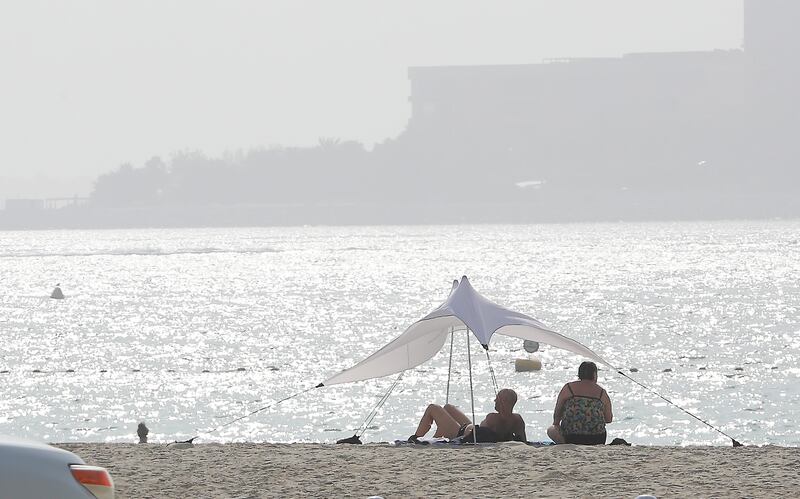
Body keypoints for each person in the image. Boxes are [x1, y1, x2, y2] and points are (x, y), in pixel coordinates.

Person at [409, 388, 526, 443]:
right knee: (448, 407)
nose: (494, 400)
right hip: (469, 429)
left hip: (460, 434)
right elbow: (523, 440)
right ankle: (436, 434)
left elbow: (478, 434)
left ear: (503, 402)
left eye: (497, 398)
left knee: (433, 408)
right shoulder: (517, 420)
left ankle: (415, 438)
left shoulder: (493, 418)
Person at [547, 361, 613, 445]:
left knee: (551, 429)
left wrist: (557, 422)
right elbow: (608, 419)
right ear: (594, 375)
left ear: (579, 374)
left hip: (571, 437)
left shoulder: (569, 388)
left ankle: (564, 444)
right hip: (597, 439)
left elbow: (557, 413)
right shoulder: (602, 393)